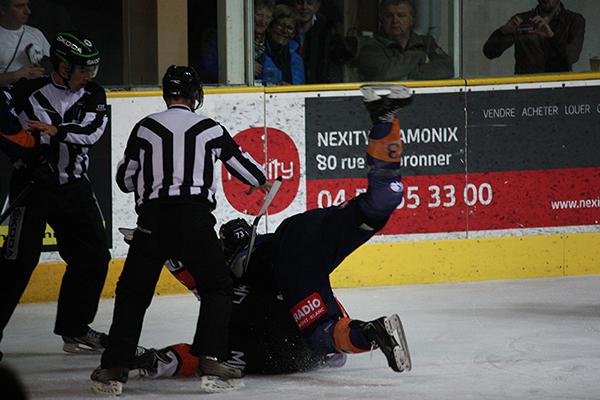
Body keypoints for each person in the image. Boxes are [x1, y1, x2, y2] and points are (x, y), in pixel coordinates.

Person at [128, 84, 414, 378]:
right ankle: (385, 118)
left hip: (289, 270)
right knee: (379, 204)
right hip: (298, 231)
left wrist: (156, 361)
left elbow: (193, 343)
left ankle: (371, 333)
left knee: (321, 334)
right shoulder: (228, 282)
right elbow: (195, 286)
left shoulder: (231, 292)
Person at [90, 65, 272, 396]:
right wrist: (263, 183)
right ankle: (210, 358)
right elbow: (244, 166)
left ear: (166, 94)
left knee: (133, 292)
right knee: (218, 287)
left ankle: (115, 367)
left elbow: (125, 180)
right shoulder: (209, 128)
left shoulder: (145, 128)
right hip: (195, 219)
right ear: (195, 96)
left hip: (152, 220)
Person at [0, 31, 111, 359]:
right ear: (62, 66)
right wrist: (23, 155)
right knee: (17, 262)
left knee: (93, 258)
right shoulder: (24, 91)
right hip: (32, 186)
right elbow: (5, 127)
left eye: (92, 68)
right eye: (82, 69)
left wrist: (56, 131)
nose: (89, 76)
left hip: (74, 187)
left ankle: (75, 328)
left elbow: (92, 133)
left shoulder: (94, 93)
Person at [358, 0, 453, 82]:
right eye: (389, 16)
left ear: (411, 20)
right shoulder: (370, 47)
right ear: (382, 20)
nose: (395, 20)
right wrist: (419, 56)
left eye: (401, 15)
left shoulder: (426, 42)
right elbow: (384, 74)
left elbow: (447, 68)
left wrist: (407, 76)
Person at [482, 0, 585, 74]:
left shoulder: (574, 20)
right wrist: (503, 31)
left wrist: (551, 36)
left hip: (558, 87)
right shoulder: (523, 20)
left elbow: (572, 57)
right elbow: (489, 52)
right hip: (527, 87)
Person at [0, 0, 50, 86]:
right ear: (3, 9)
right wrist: (15, 76)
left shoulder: (36, 33)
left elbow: (52, 65)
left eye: (27, 5)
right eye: (19, 6)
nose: (28, 11)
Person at [290, 0, 335, 84]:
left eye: (309, 3)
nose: (304, 7)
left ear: (317, 6)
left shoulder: (326, 31)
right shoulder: (282, 30)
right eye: (299, 3)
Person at [260, 4, 305, 85]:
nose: (284, 31)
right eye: (280, 25)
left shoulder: (297, 59)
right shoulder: (258, 52)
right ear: (270, 27)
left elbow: (300, 90)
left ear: (294, 34)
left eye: (290, 28)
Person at [254, 0, 275, 81]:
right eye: (259, 15)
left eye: (268, 17)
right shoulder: (230, 36)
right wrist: (245, 67)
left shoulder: (269, 41)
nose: (263, 21)